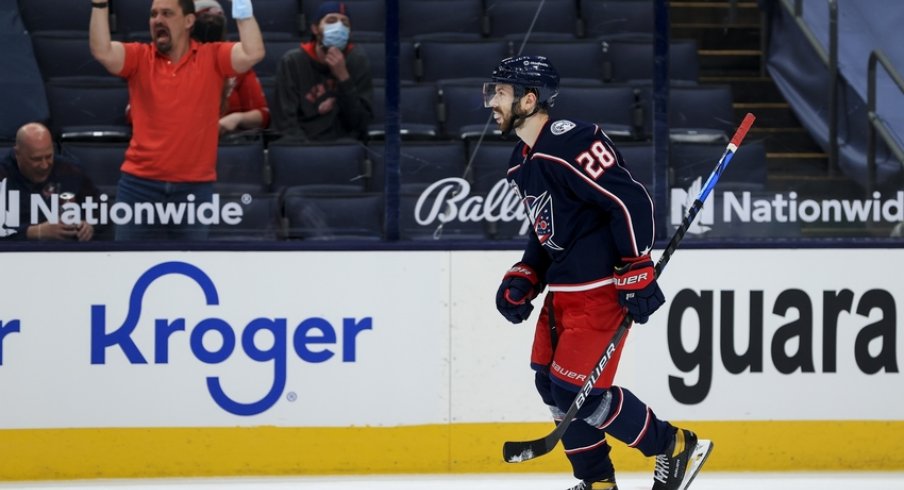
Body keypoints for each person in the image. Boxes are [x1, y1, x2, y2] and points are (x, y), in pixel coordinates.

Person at [484, 56, 713, 490]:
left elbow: (631, 201)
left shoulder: (573, 140)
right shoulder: (521, 160)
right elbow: (547, 229)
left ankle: (675, 445)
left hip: (599, 291)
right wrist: (527, 273)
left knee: (576, 393)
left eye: (500, 93)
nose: (491, 102)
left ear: (529, 100)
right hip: (564, 293)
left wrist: (636, 265)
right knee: (550, 385)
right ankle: (598, 482)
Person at [89, 0, 265, 240]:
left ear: (189, 21)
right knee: (128, 267)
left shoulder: (212, 57)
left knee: (189, 270)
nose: (157, 20)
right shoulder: (140, 57)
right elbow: (103, 51)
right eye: (153, 14)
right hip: (139, 185)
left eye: (167, 13)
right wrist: (99, 5)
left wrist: (242, 4)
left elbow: (253, 52)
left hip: (193, 188)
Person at [272, 1, 373, 142]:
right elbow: (285, 122)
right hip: (302, 148)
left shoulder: (357, 60)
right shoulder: (292, 61)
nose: (339, 27)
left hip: (343, 148)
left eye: (345, 23)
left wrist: (344, 77)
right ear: (315, 28)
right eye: (331, 21)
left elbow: (360, 124)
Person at [0, 123, 99, 241]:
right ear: (17, 154)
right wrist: (35, 232)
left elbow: (101, 211)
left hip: (66, 254)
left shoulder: (70, 171)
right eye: (36, 159)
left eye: (48, 156)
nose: (44, 165)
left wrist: (89, 226)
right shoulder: (2, 174)